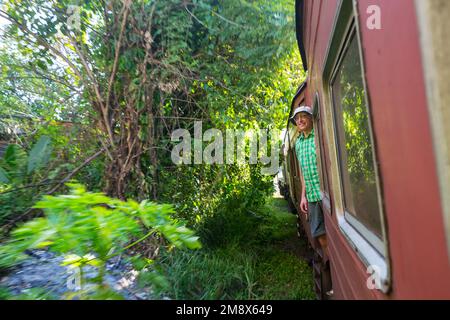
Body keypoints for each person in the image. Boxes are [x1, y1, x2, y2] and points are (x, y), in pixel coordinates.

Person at [290, 106, 328, 261]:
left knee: (334, 231)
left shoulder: (318, 137)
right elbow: (304, 171)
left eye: (304, 116)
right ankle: (331, 262)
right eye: (297, 118)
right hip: (312, 195)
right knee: (318, 231)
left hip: (325, 194)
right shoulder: (298, 144)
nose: (300, 120)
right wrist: (303, 196)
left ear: (311, 118)